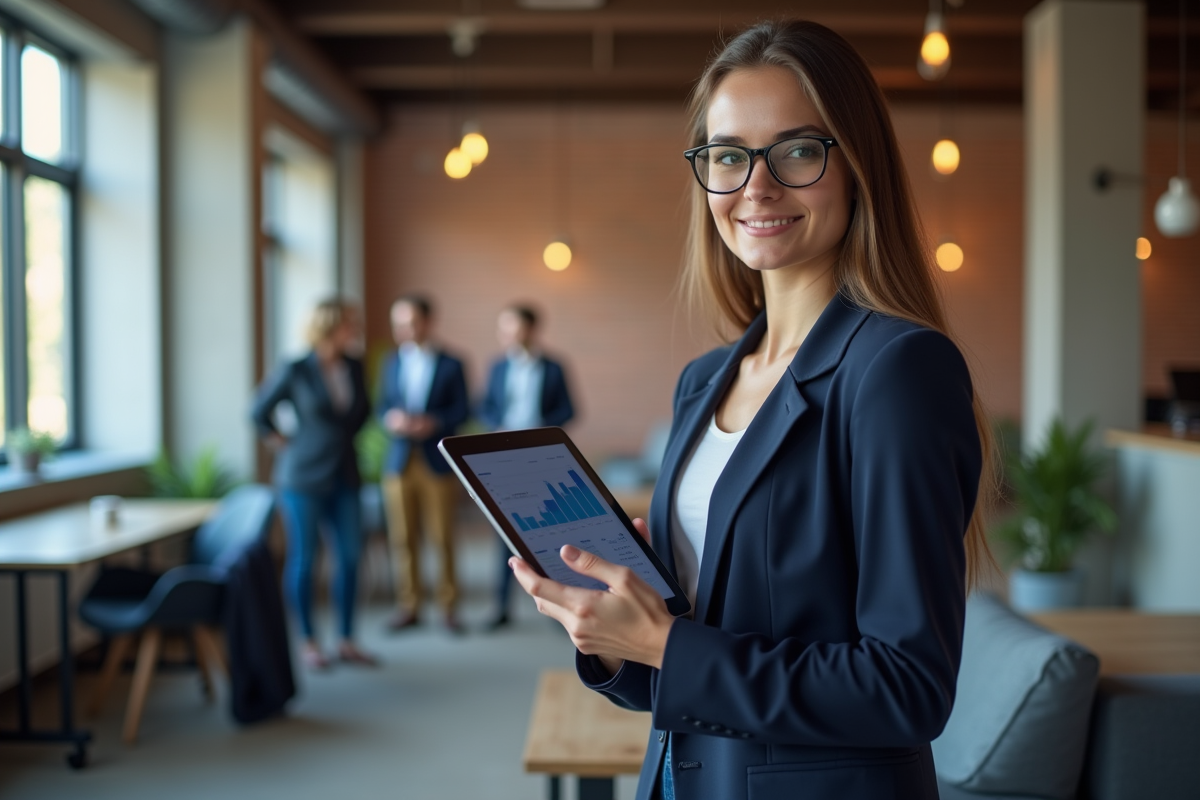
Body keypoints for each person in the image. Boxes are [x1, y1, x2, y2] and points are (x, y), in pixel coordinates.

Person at [510, 20, 994, 800]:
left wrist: (669, 646)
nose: (755, 189)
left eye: (797, 151)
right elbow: (687, 665)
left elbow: (908, 689)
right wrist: (613, 635)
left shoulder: (897, 371)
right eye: (728, 157)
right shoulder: (704, 382)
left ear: (856, 166)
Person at [251, 298, 376, 670]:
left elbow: (361, 413)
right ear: (329, 326)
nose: (355, 329)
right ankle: (308, 641)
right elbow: (258, 413)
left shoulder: (354, 366)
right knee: (305, 559)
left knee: (351, 557)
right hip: (302, 477)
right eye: (349, 323)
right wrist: (286, 442)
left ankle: (346, 638)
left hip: (345, 474)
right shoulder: (296, 369)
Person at [478, 303, 576, 630]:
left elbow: (569, 410)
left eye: (513, 328)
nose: (506, 335)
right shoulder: (497, 367)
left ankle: (552, 604)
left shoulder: (554, 367)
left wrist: (540, 427)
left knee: (546, 531)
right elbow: (486, 406)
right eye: (503, 329)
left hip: (540, 455)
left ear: (532, 330)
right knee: (503, 532)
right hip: (503, 457)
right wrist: (499, 426)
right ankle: (501, 607)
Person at [378, 295, 470, 633]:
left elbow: (463, 411)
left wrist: (433, 422)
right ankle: (409, 605)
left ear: (428, 322)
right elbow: (381, 407)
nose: (403, 329)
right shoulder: (391, 362)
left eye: (411, 321)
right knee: (402, 538)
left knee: (442, 536)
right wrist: (391, 419)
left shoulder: (452, 363)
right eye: (398, 322)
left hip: (436, 461)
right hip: (399, 461)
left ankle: (448, 607)